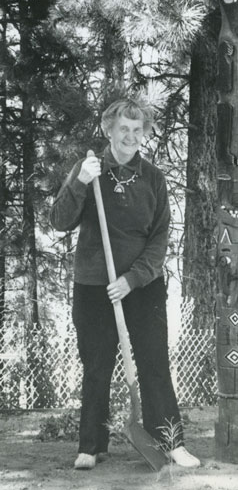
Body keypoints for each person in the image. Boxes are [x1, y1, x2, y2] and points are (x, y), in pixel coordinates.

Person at [50, 98, 200, 470]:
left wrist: (131, 280)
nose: (131, 136)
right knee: (97, 364)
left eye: (137, 130)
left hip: (142, 284)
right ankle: (91, 445)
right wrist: (80, 183)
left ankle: (170, 442)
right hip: (94, 284)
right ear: (108, 130)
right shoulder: (88, 170)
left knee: (153, 362)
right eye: (123, 129)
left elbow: (160, 238)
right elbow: (59, 220)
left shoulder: (153, 178)